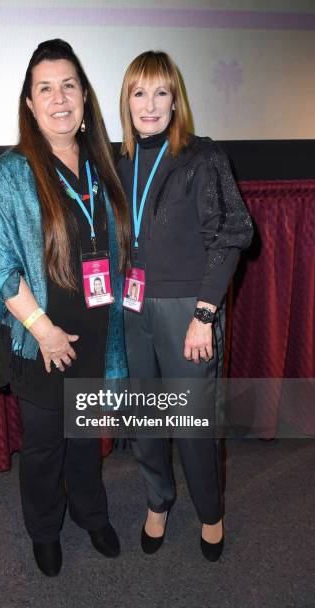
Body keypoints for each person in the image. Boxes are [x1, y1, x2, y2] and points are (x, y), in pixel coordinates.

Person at [0, 39, 130, 577]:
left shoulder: (105, 166)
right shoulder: (11, 174)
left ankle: (92, 513)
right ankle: (45, 529)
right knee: (44, 446)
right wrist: (44, 331)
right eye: (45, 88)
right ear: (29, 102)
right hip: (41, 340)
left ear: (85, 97)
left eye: (69, 85)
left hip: (97, 333)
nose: (59, 98)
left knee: (86, 437)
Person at [117, 51, 253, 561]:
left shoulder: (202, 156)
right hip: (134, 312)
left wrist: (204, 314)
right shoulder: (120, 160)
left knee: (194, 428)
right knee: (148, 421)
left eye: (160, 92)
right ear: (126, 100)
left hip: (186, 312)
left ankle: (210, 513)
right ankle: (158, 499)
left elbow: (231, 236)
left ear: (176, 100)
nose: (148, 104)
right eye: (138, 92)